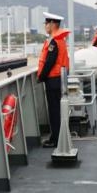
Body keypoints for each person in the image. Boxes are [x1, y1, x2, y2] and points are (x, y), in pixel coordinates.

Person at [36, 12, 70, 148]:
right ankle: (56, 137)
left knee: (54, 111)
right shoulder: (59, 39)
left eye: (46, 24)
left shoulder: (54, 41)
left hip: (53, 80)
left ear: (52, 24)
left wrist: (41, 77)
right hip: (58, 79)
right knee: (56, 110)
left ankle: (55, 139)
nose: (45, 26)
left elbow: (49, 61)